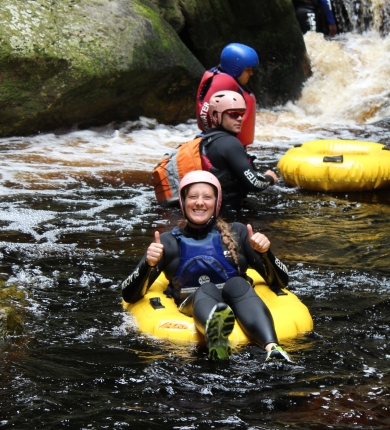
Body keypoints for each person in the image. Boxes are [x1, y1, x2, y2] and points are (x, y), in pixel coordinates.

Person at [121, 171, 292, 362]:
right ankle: (216, 335)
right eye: (193, 196)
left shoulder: (239, 233)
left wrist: (265, 254)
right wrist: (149, 264)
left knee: (238, 283)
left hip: (237, 300)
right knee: (207, 289)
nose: (199, 202)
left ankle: (272, 347)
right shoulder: (168, 242)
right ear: (183, 202)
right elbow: (129, 294)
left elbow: (280, 282)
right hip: (192, 302)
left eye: (207, 197)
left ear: (217, 203)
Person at [200, 90, 277, 210]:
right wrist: (269, 178)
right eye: (233, 114)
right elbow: (254, 184)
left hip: (210, 210)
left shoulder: (204, 139)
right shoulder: (229, 143)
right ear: (215, 116)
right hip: (228, 212)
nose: (240, 118)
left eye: (242, 113)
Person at [196, 43, 259, 147]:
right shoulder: (225, 82)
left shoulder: (221, 77)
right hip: (225, 145)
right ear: (235, 68)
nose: (251, 73)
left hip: (223, 143)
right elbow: (205, 115)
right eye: (248, 69)